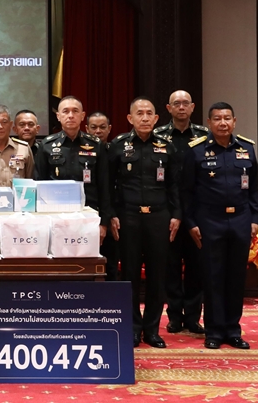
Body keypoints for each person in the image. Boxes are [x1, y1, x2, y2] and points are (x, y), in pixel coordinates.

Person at [106, 97, 181, 349]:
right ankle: (132, 328)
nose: (145, 117)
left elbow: (174, 185)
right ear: (130, 118)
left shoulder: (167, 146)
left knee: (157, 275)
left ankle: (152, 330)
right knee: (129, 274)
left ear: (157, 118)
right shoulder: (118, 146)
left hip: (159, 217)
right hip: (128, 217)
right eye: (140, 113)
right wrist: (111, 214)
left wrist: (177, 214)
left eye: (150, 113)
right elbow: (108, 184)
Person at [182, 102, 258, 350]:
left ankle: (233, 330)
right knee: (213, 277)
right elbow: (187, 192)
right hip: (209, 221)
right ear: (209, 123)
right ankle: (214, 331)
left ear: (234, 121)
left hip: (240, 220)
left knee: (236, 277)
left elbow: (254, 189)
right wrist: (191, 222)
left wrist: (255, 219)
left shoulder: (247, 149)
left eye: (227, 118)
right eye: (217, 119)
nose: (222, 123)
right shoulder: (197, 150)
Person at [33, 96, 113, 276]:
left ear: (82, 116)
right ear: (58, 116)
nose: (70, 115)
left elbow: (104, 186)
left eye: (75, 111)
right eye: (65, 111)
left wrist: (104, 222)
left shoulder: (95, 145)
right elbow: (38, 185)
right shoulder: (46, 145)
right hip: (55, 218)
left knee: (88, 268)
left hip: (89, 217)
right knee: (58, 268)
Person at [155, 90, 209, 336]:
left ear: (193, 107)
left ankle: (193, 317)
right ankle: (175, 316)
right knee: (171, 267)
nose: (181, 107)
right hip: (168, 210)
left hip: (197, 211)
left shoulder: (204, 136)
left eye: (186, 103)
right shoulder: (158, 135)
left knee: (197, 267)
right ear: (168, 108)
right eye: (176, 103)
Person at [82, 110, 119, 281]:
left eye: (102, 127)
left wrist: (111, 214)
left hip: (115, 213)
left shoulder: (117, 151)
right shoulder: (82, 151)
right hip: (91, 212)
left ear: (109, 128)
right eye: (94, 127)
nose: (98, 131)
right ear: (87, 129)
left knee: (111, 263)